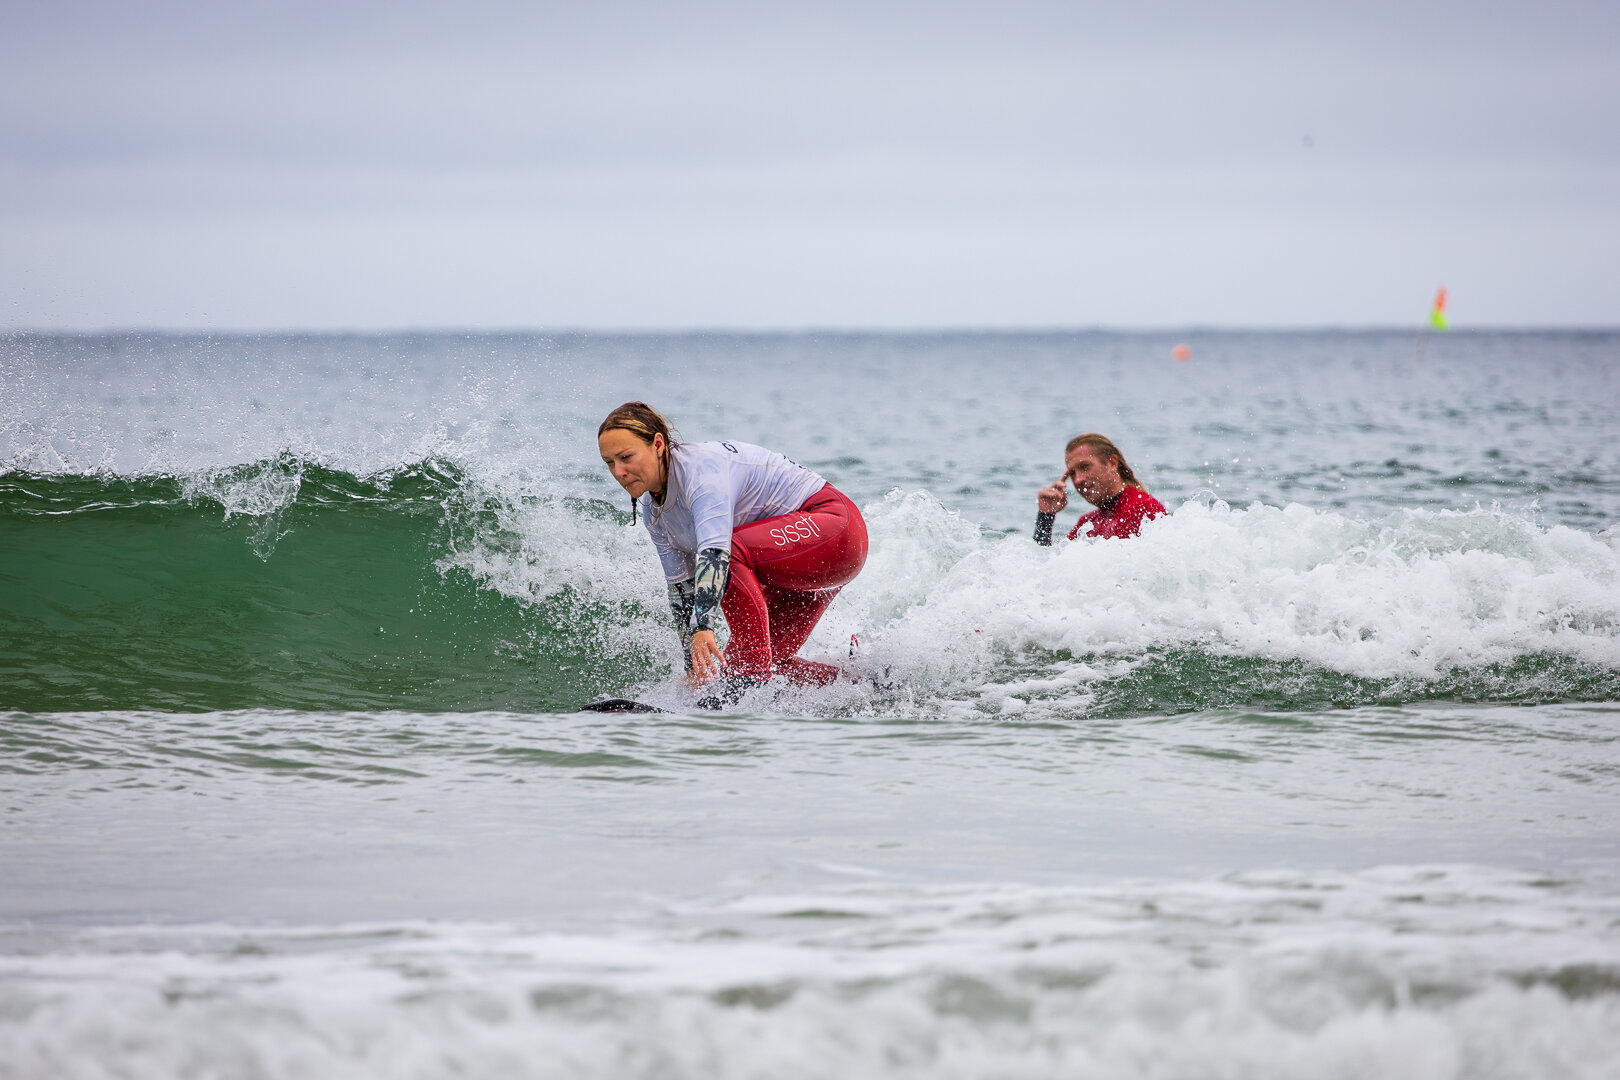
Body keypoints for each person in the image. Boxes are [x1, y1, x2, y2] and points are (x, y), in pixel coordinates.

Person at [598, 402, 868, 703]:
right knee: (745, 665)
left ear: (658, 445)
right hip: (792, 565)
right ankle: (863, 684)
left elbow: (716, 555)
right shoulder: (654, 512)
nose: (618, 472)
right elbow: (682, 591)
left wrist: (704, 628)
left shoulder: (700, 470)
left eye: (626, 457)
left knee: (729, 557)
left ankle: (752, 684)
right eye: (609, 463)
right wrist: (692, 666)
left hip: (836, 531)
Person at [1034, 433, 1166, 544]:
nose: (1078, 479)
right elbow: (1048, 569)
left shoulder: (1144, 508)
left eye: (1085, 467)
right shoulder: (1087, 523)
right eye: (1072, 473)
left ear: (1112, 463)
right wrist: (1046, 516)